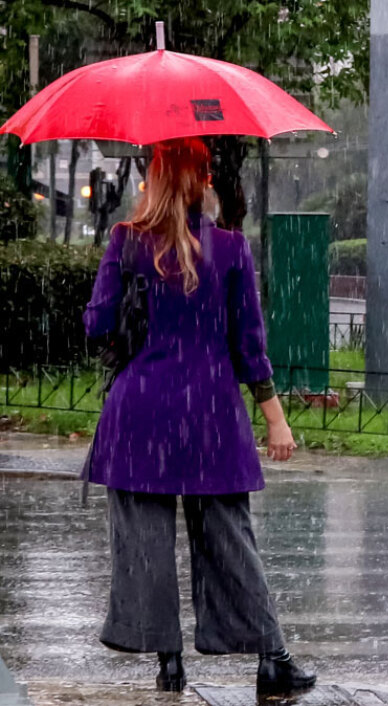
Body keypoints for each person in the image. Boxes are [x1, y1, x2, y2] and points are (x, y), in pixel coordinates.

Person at [83, 138, 316, 695]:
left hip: (139, 414)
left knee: (144, 542)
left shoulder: (126, 242)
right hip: (210, 415)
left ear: (156, 179)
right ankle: (271, 659)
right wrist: (276, 419)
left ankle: (168, 661)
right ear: (203, 181)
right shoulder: (232, 250)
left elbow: (96, 326)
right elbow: (249, 345)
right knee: (230, 539)